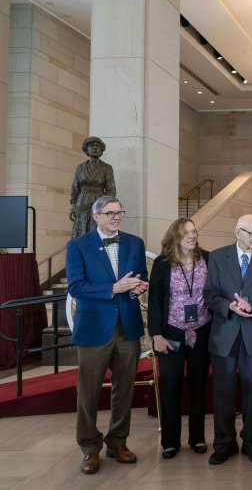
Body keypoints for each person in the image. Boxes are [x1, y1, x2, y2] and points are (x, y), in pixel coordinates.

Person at [65, 196, 148, 475]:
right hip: (94, 329)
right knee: (87, 393)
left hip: (128, 327)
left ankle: (118, 442)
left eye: (119, 212)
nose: (116, 217)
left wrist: (137, 288)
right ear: (97, 216)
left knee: (124, 390)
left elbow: (141, 277)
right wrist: (114, 288)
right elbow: (76, 287)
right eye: (110, 213)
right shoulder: (78, 245)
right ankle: (90, 448)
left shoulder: (135, 243)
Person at [203, 215, 252, 465]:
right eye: (251, 234)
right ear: (237, 232)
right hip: (224, 333)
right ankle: (224, 443)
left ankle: (251, 441)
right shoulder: (217, 257)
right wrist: (229, 306)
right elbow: (209, 294)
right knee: (223, 391)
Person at [148, 218, 211, 459]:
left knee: (199, 386)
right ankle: (170, 441)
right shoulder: (163, 264)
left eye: (194, 231)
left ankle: (197, 438)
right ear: (175, 235)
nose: (192, 236)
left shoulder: (208, 258)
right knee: (171, 385)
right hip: (171, 333)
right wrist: (156, 334)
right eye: (186, 232)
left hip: (202, 330)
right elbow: (154, 299)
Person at [69, 136, 116, 238]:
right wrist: (73, 206)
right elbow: (75, 188)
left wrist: (104, 206)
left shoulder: (107, 168)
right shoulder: (80, 167)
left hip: (99, 202)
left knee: (97, 230)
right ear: (87, 149)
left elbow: (111, 190)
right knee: (81, 231)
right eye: (91, 145)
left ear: (101, 150)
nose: (95, 148)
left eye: (97, 146)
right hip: (82, 202)